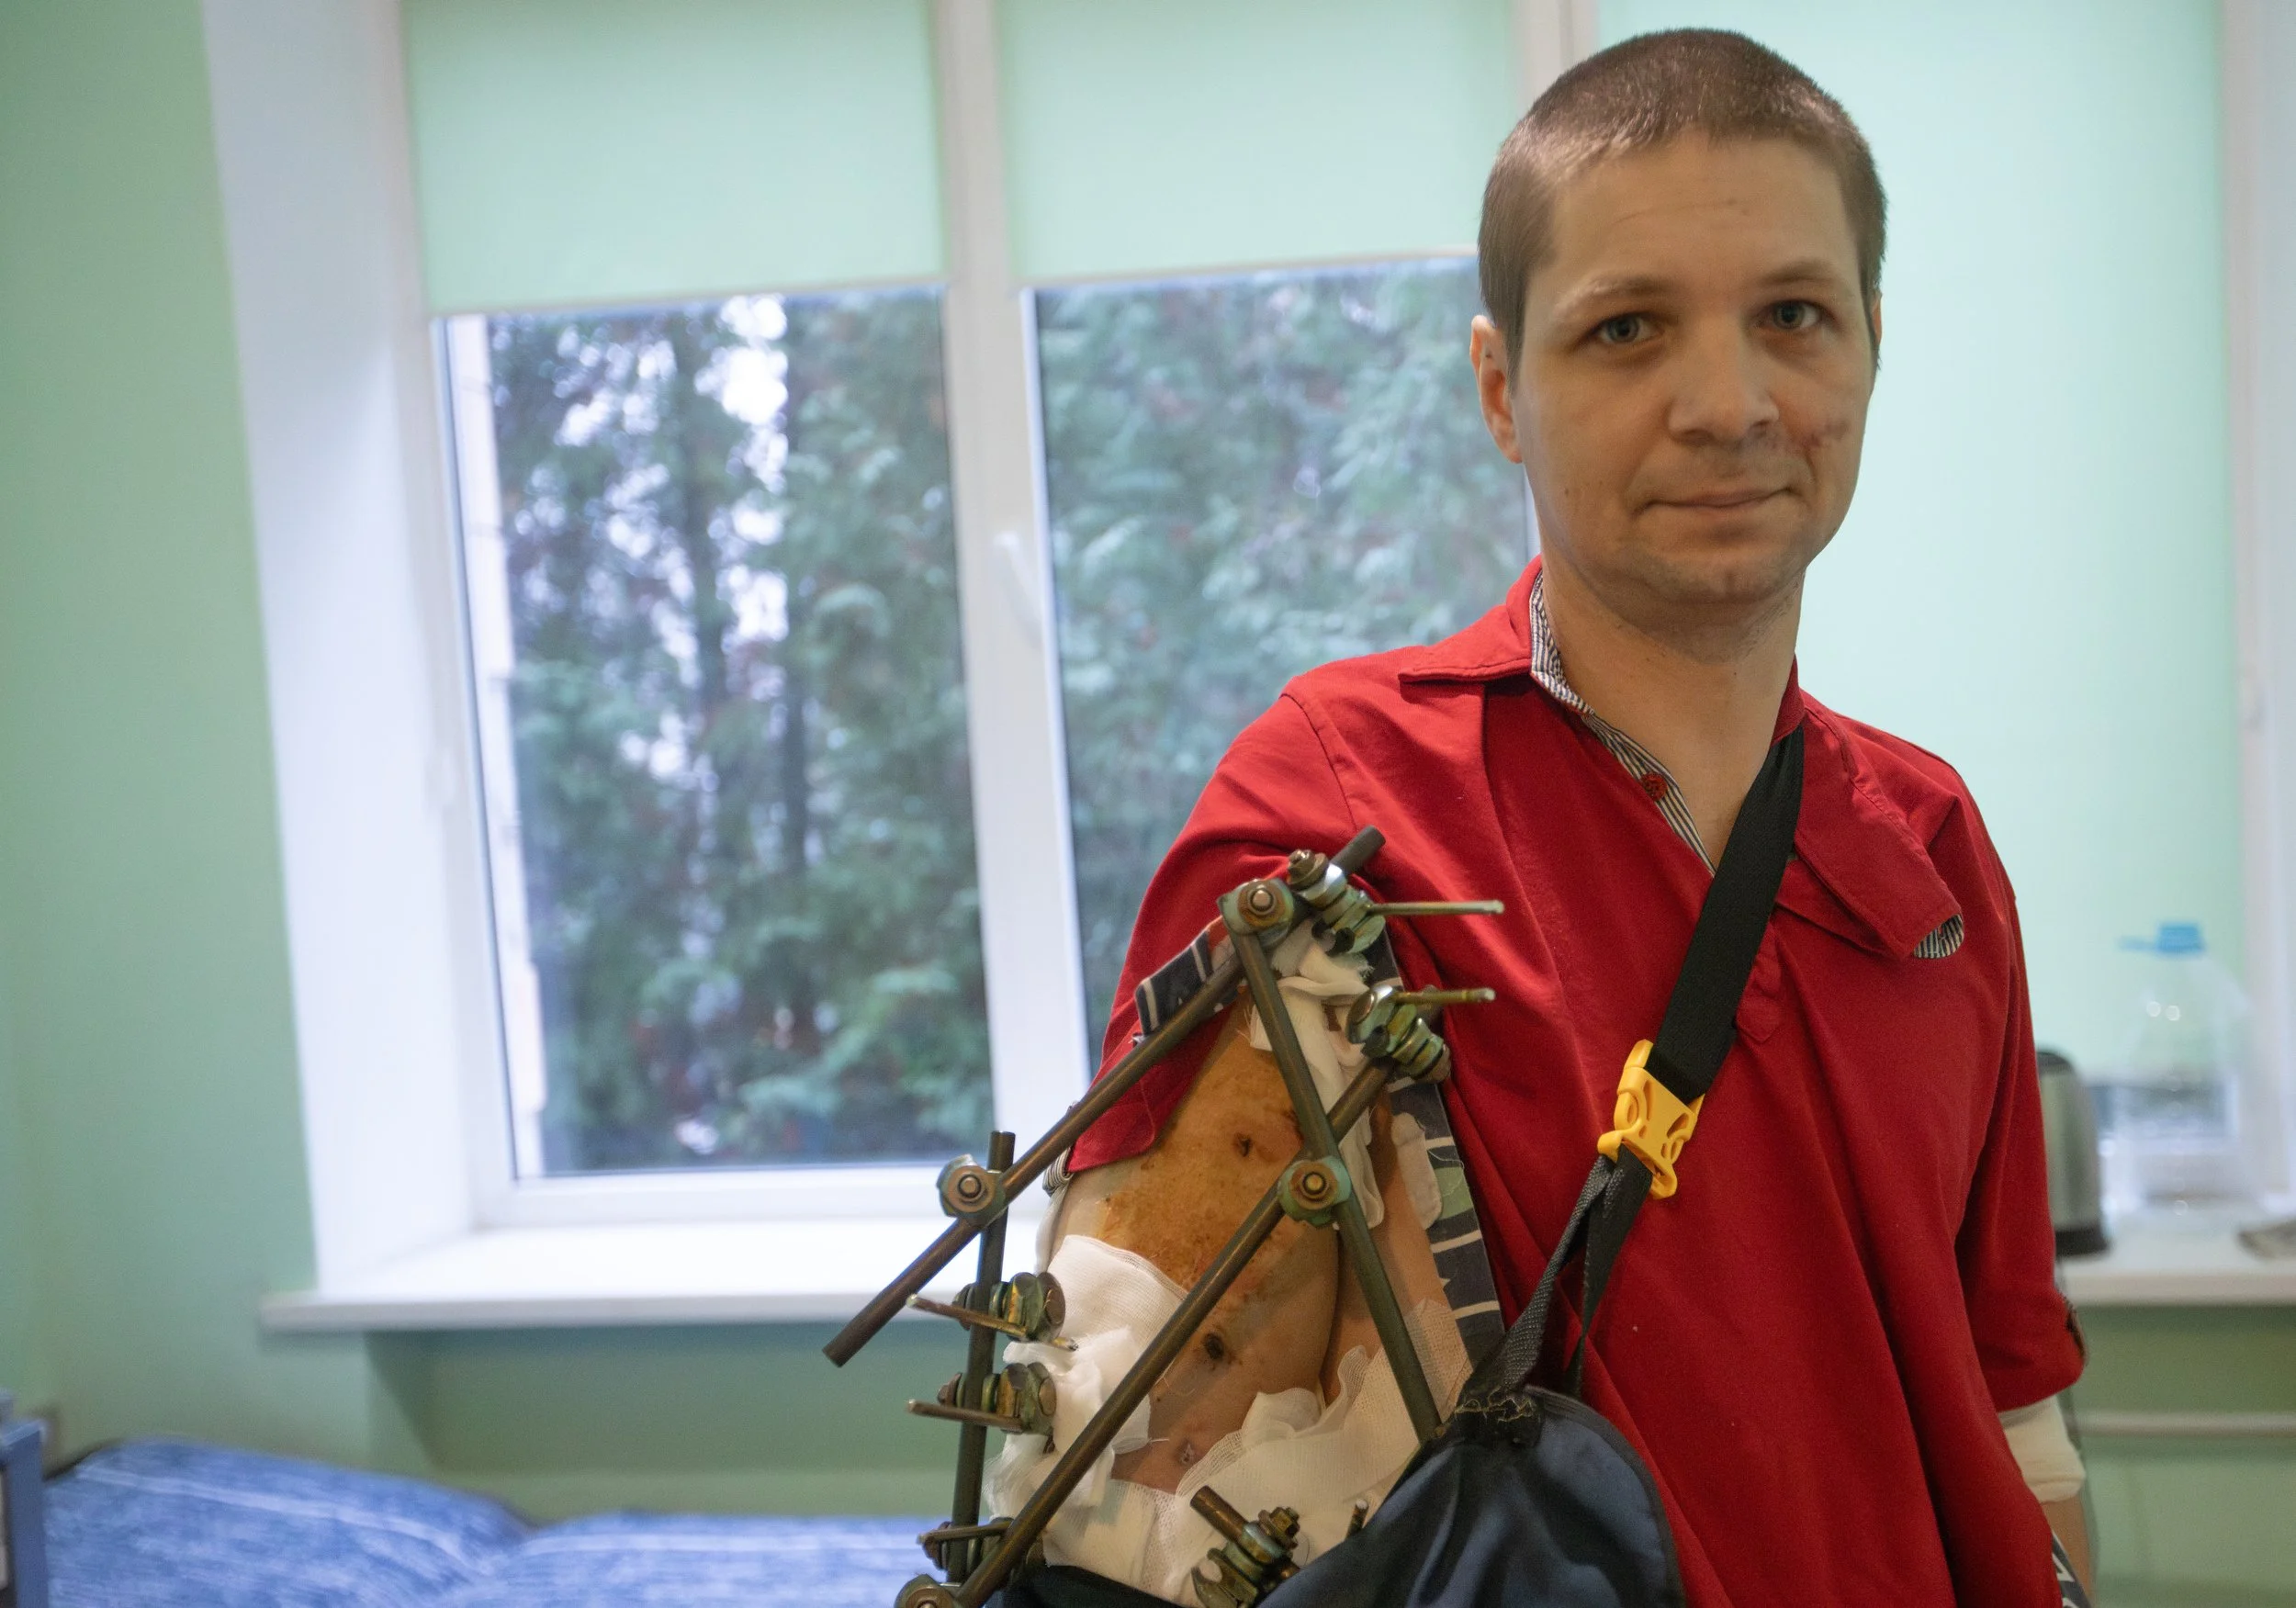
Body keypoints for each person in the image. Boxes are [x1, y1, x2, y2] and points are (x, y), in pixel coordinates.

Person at [1034, 28, 2089, 1606]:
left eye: (1793, 315)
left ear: (1871, 342)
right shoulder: (1328, 810)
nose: (1729, 403)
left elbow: (2014, 1410)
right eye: (1627, 329)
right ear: (1500, 390)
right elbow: (1127, 1464)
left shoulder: (1929, 845)